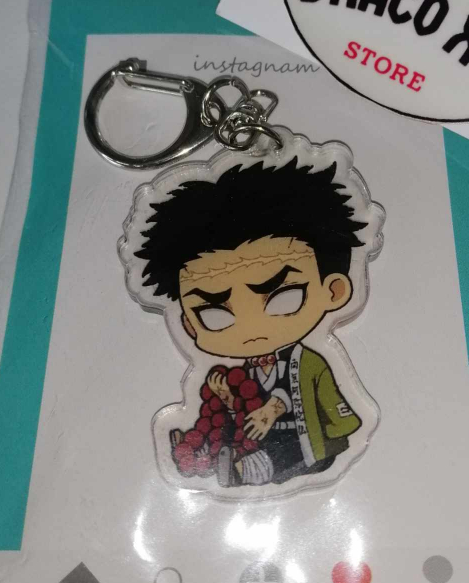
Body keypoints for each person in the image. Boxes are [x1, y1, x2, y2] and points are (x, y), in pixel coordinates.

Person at [135, 156, 368, 487]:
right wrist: (230, 400)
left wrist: (275, 408)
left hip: (307, 444)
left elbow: (327, 404)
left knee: (274, 455)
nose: (251, 329)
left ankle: (240, 470)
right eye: (215, 314)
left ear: (333, 291)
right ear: (189, 325)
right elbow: (246, 405)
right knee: (235, 439)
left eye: (284, 297)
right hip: (257, 442)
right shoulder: (244, 372)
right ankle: (205, 455)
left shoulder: (309, 363)